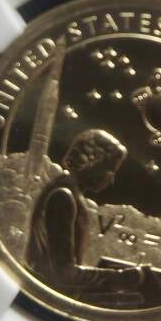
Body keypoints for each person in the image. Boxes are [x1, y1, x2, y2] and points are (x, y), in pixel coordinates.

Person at [25, 128, 145, 298]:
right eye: (110, 170)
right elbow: (63, 274)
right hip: (47, 292)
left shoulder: (67, 192)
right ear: (93, 162)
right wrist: (120, 278)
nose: (111, 179)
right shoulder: (63, 197)